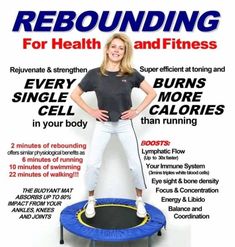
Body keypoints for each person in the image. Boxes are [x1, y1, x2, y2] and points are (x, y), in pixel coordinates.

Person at [71, 33, 156, 218]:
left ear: (125, 52)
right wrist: (92, 111)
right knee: (93, 164)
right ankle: (91, 199)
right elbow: (74, 95)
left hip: (125, 124)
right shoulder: (94, 74)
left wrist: (137, 111)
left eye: (121, 48)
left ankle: (139, 200)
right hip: (103, 125)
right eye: (114, 47)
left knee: (135, 164)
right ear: (107, 49)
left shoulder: (131, 73)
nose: (117, 50)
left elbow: (151, 93)